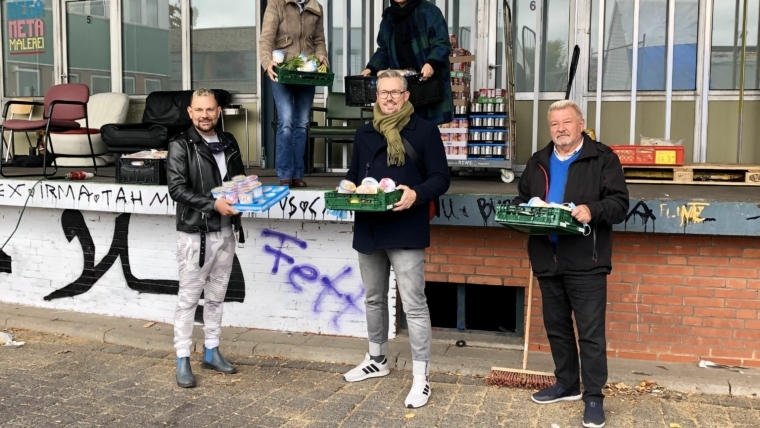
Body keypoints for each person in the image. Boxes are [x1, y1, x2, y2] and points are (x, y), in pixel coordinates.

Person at [514, 100, 629, 428]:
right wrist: (522, 210)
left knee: (591, 333)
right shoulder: (538, 161)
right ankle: (566, 384)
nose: (560, 129)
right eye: (554, 124)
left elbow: (620, 204)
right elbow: (522, 199)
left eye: (567, 122)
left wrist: (592, 209)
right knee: (557, 328)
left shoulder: (602, 158)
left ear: (581, 124)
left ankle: (594, 396)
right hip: (546, 258)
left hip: (586, 259)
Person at [341, 70, 450, 409]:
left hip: (406, 227)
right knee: (374, 298)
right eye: (383, 92)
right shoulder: (364, 133)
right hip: (370, 227)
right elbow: (355, 176)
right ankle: (377, 359)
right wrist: (346, 189)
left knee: (414, 305)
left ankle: (421, 377)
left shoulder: (425, 131)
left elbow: (441, 179)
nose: (388, 98)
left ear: (406, 96)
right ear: (377, 96)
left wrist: (415, 194)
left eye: (395, 92)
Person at [167, 88, 246, 388]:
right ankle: (182, 358)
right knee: (188, 300)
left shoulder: (229, 141)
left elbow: (238, 181)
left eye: (210, 109)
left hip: (227, 232)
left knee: (215, 298)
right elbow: (177, 189)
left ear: (219, 111)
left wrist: (247, 196)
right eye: (199, 110)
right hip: (195, 235)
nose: (205, 115)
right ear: (190, 112)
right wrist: (213, 204)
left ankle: (212, 351)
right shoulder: (180, 144)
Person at [260, 0, 328, 188]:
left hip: (307, 71)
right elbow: (266, 38)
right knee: (286, 121)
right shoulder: (277, 4)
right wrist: (267, 63)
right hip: (283, 70)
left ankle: (298, 173)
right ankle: (284, 173)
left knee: (302, 123)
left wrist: (322, 55)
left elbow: (319, 40)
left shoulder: (316, 7)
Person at [361, 0, 453, 126]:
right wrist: (372, 67)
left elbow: (441, 44)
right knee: (403, 128)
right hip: (401, 87)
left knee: (424, 131)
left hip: (427, 85)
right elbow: (384, 50)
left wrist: (431, 62)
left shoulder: (429, 12)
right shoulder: (389, 18)